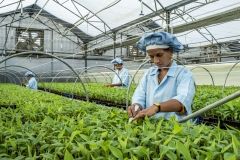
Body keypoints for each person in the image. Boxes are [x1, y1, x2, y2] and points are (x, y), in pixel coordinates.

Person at [127, 31, 195, 121]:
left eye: (159, 55)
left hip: (176, 129)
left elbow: (183, 101)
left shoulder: (184, 74)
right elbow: (140, 95)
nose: (156, 61)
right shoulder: (149, 73)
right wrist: (136, 105)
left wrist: (157, 107)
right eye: (151, 56)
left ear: (170, 51)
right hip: (151, 128)